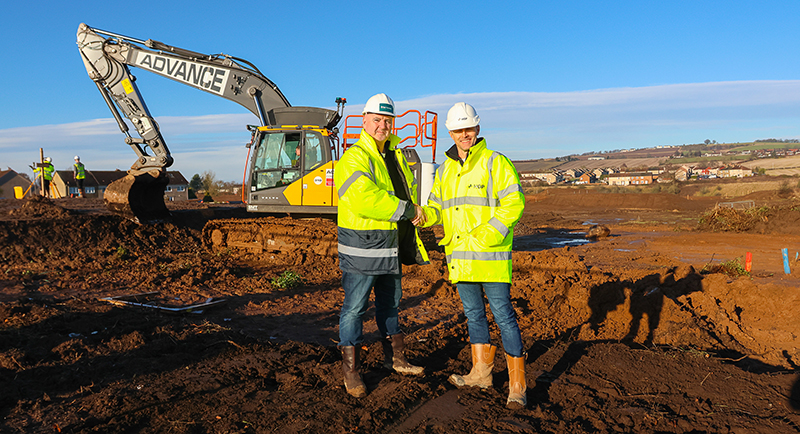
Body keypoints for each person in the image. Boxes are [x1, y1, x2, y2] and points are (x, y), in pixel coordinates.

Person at [419, 102, 527, 409]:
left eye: (468, 129)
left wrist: (487, 236)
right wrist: (422, 215)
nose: (464, 135)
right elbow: (437, 208)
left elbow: (514, 204)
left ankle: (517, 383)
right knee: (474, 315)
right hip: (461, 258)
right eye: (458, 130)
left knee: (504, 317)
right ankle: (481, 373)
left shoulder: (496, 163)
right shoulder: (445, 170)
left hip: (489, 257)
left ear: (477, 129)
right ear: (451, 133)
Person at [334, 93, 430, 398]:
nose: (383, 126)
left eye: (388, 121)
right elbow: (363, 198)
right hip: (363, 248)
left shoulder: (394, 154)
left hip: (389, 246)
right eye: (377, 120)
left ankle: (395, 358)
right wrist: (407, 210)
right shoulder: (354, 158)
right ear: (365, 121)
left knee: (390, 303)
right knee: (355, 308)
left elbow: (404, 189)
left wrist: (413, 210)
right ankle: (351, 372)